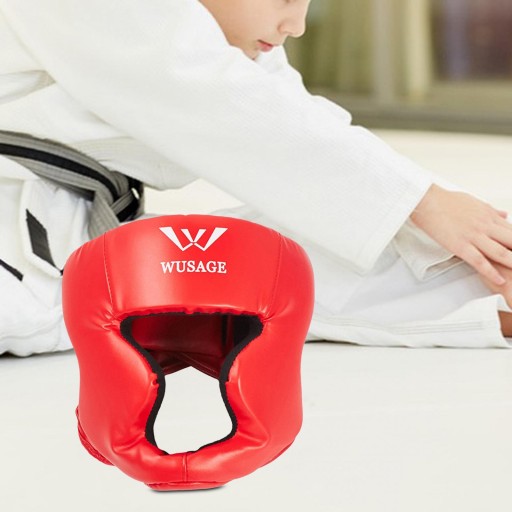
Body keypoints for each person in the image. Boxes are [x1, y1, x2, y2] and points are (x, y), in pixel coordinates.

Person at [1, 0, 511, 356]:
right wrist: (423, 201)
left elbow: (301, 125)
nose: (297, 25)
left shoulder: (229, 46)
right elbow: (217, 97)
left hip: (86, 238)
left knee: (296, 259)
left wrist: (438, 210)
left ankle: (493, 291)